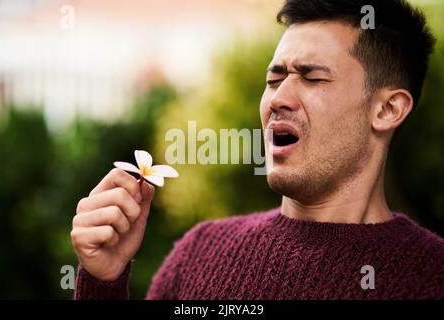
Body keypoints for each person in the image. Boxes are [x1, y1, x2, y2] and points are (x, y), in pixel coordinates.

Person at [71, 0, 444, 300]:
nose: (278, 99)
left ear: (387, 109)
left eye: (312, 78)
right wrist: (103, 282)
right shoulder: (199, 253)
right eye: (274, 79)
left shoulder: (431, 276)